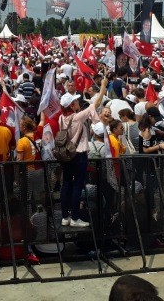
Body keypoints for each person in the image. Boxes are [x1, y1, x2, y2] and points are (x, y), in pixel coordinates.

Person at [57, 74, 108, 227]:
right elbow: (96, 103)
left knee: (66, 184)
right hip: (79, 155)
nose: (78, 102)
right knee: (77, 185)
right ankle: (75, 218)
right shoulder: (78, 117)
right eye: (75, 101)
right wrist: (104, 87)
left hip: (66, 154)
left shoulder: (61, 117)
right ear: (71, 105)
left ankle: (65, 216)